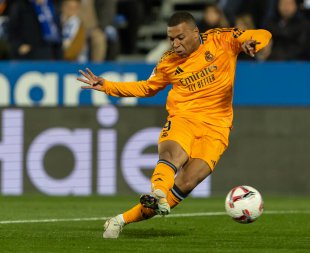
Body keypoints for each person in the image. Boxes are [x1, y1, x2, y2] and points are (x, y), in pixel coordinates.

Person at [77, 11, 271, 239]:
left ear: (195, 33)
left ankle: (120, 220)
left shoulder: (221, 39)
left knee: (188, 181)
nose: (175, 44)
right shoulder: (168, 61)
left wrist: (253, 43)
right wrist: (108, 86)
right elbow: (147, 88)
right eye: (171, 39)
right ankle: (158, 192)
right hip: (184, 118)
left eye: (180, 38)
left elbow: (263, 33)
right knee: (172, 154)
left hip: (217, 126)